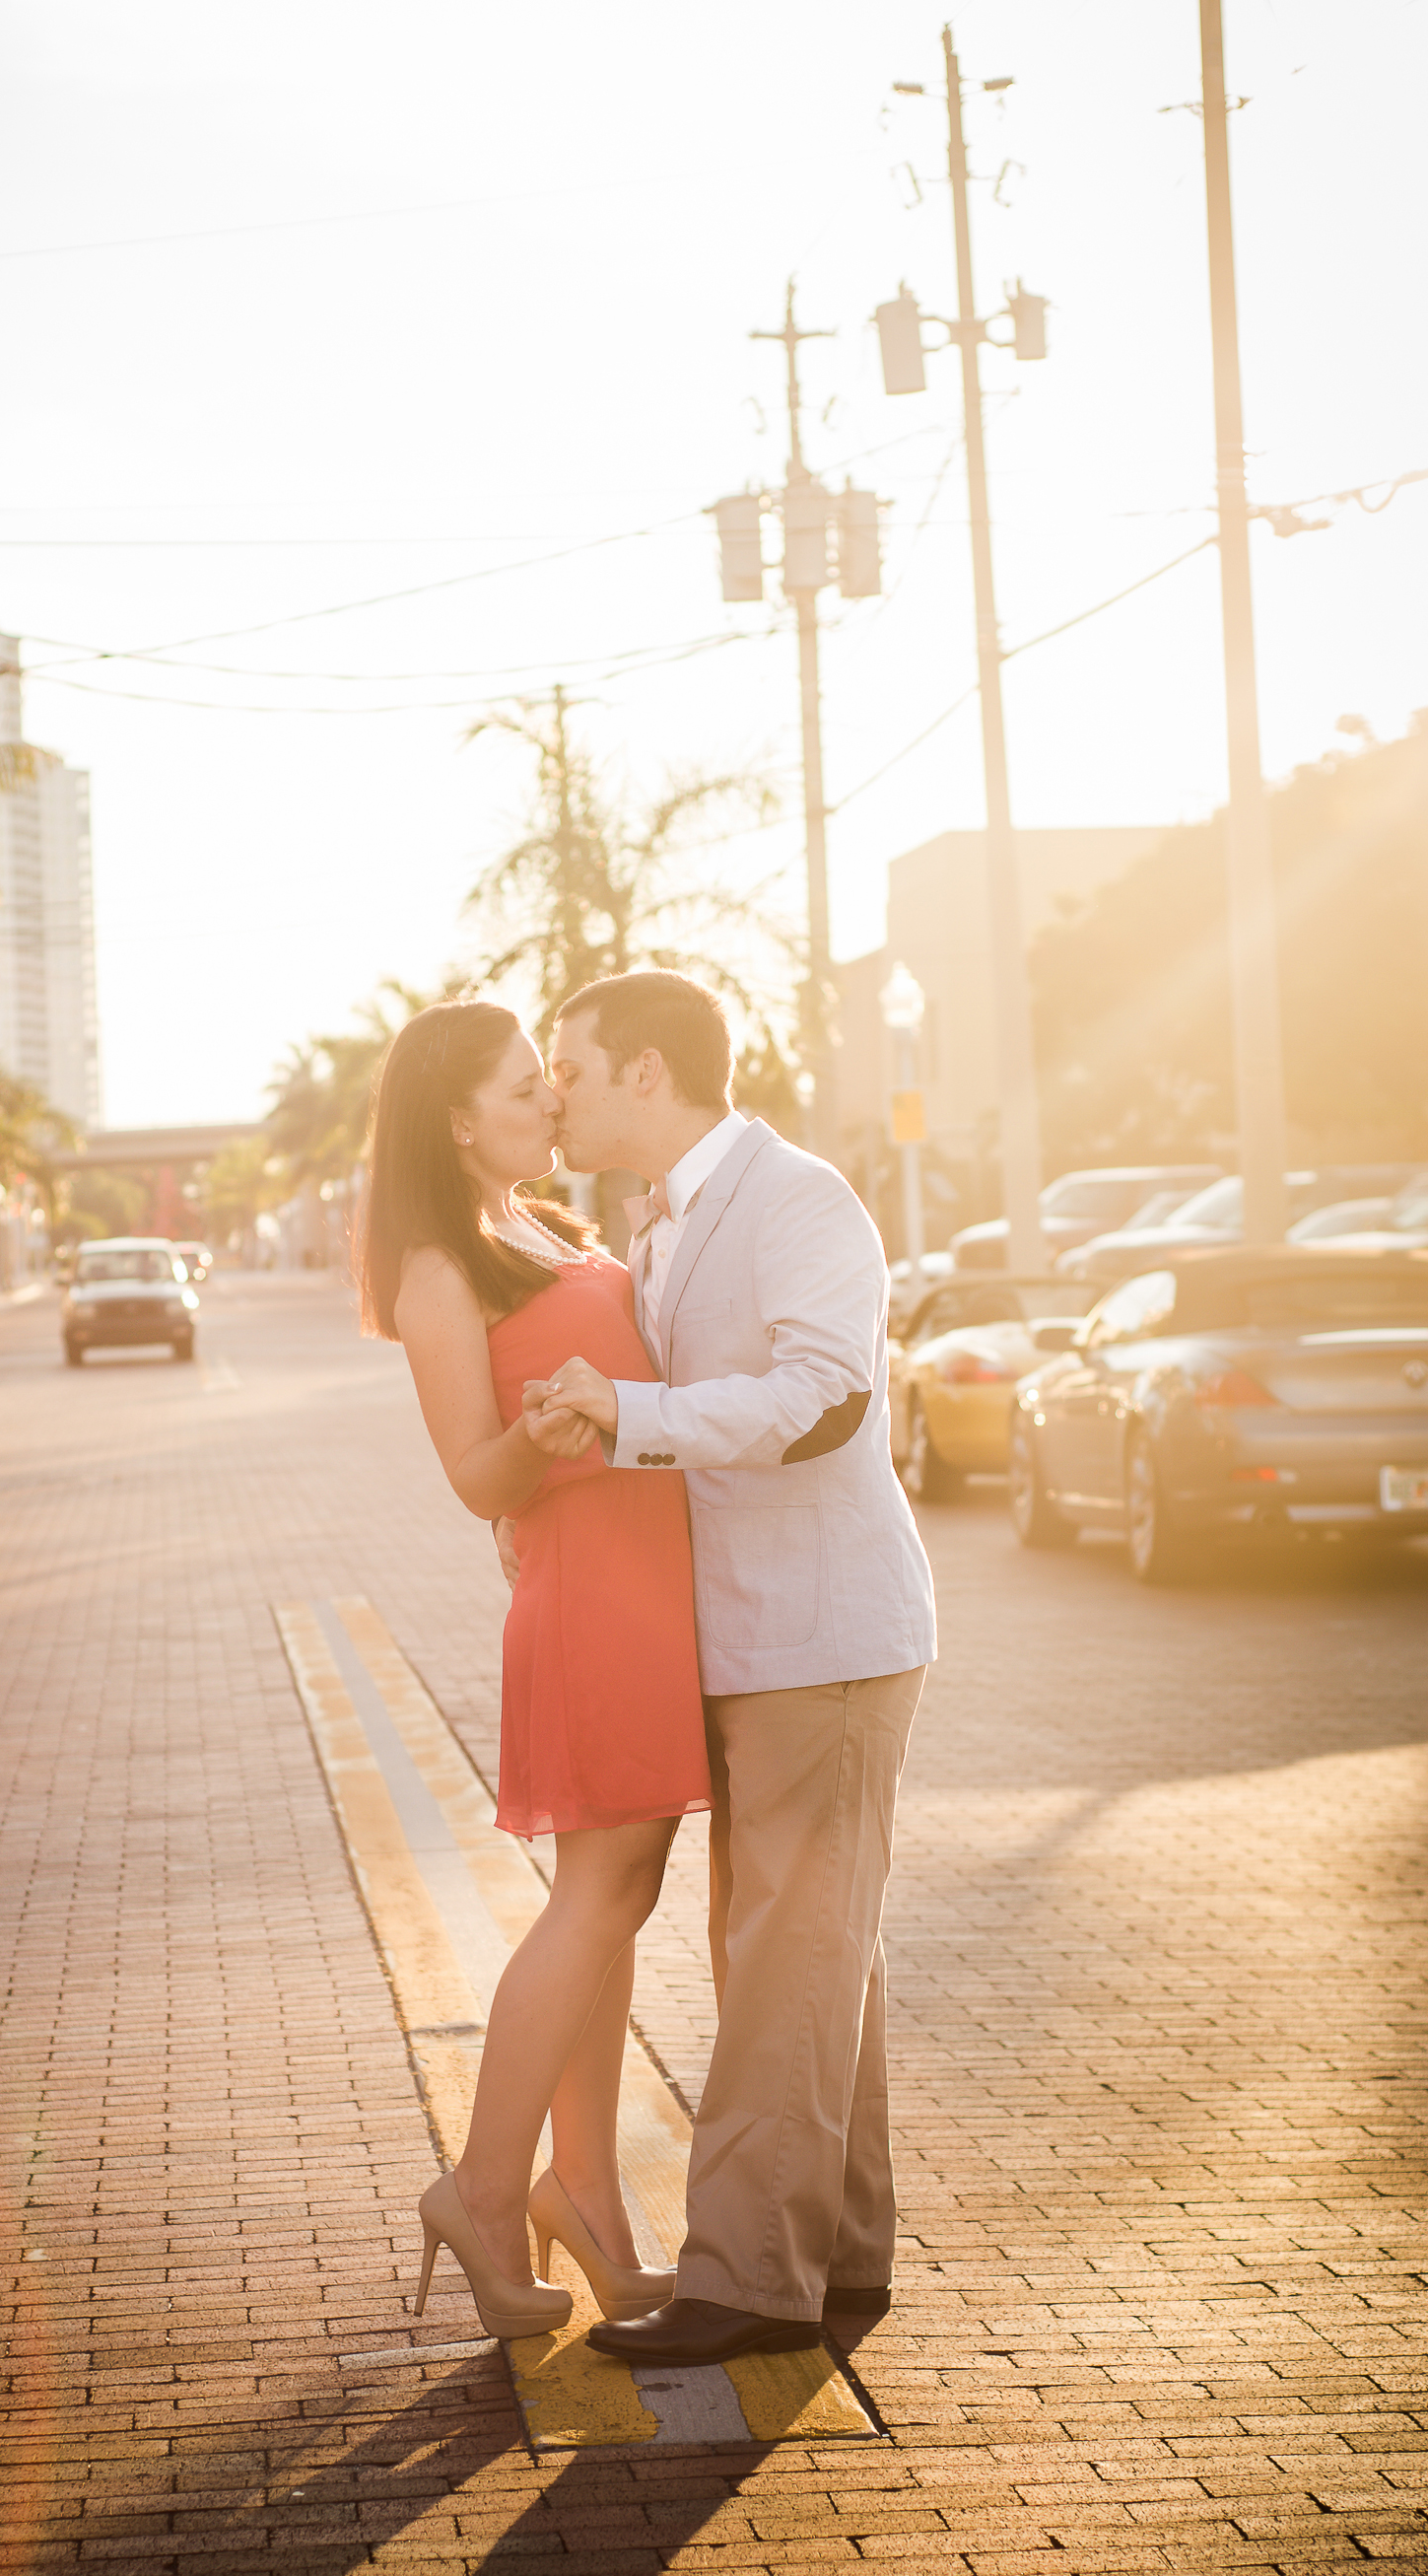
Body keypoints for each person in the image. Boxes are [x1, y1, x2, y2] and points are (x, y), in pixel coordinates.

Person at [525, 968, 936, 2369]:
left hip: (824, 1640)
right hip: (756, 1644)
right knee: (812, 1955)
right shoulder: (663, 1222)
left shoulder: (800, 1196)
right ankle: (842, 2253)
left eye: (570, 1067)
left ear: (647, 1071)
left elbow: (827, 1397)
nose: (555, 1091)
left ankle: (750, 2280)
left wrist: (628, 1414)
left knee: (780, 1955)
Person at [362, 998, 711, 2341]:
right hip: (589, 1604)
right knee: (600, 1897)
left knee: (615, 1900)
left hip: (647, 1585)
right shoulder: (441, 1270)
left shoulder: (547, 1228)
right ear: (460, 1119)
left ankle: (590, 2200)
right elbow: (472, 1476)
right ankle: (486, 2188)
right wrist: (554, 1425)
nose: (549, 1104)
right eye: (525, 1088)